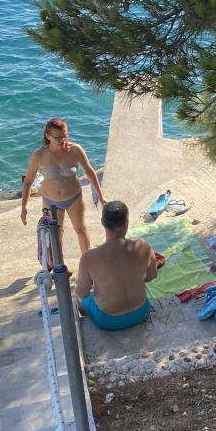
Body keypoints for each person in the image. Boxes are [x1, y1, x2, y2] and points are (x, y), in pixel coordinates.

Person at [20, 117, 106, 255]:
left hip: (74, 198)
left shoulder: (75, 150)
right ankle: (59, 265)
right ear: (48, 136)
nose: (62, 140)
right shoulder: (39, 155)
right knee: (56, 233)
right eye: (58, 137)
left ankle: (87, 262)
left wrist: (101, 195)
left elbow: (89, 172)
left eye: (65, 136)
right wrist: (24, 206)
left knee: (81, 230)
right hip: (50, 201)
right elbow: (28, 181)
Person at [75, 201, 157, 331]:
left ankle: (85, 319)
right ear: (126, 223)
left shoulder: (89, 257)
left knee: (78, 297)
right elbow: (152, 276)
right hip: (141, 313)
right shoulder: (144, 246)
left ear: (102, 222)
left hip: (107, 321)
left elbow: (82, 293)